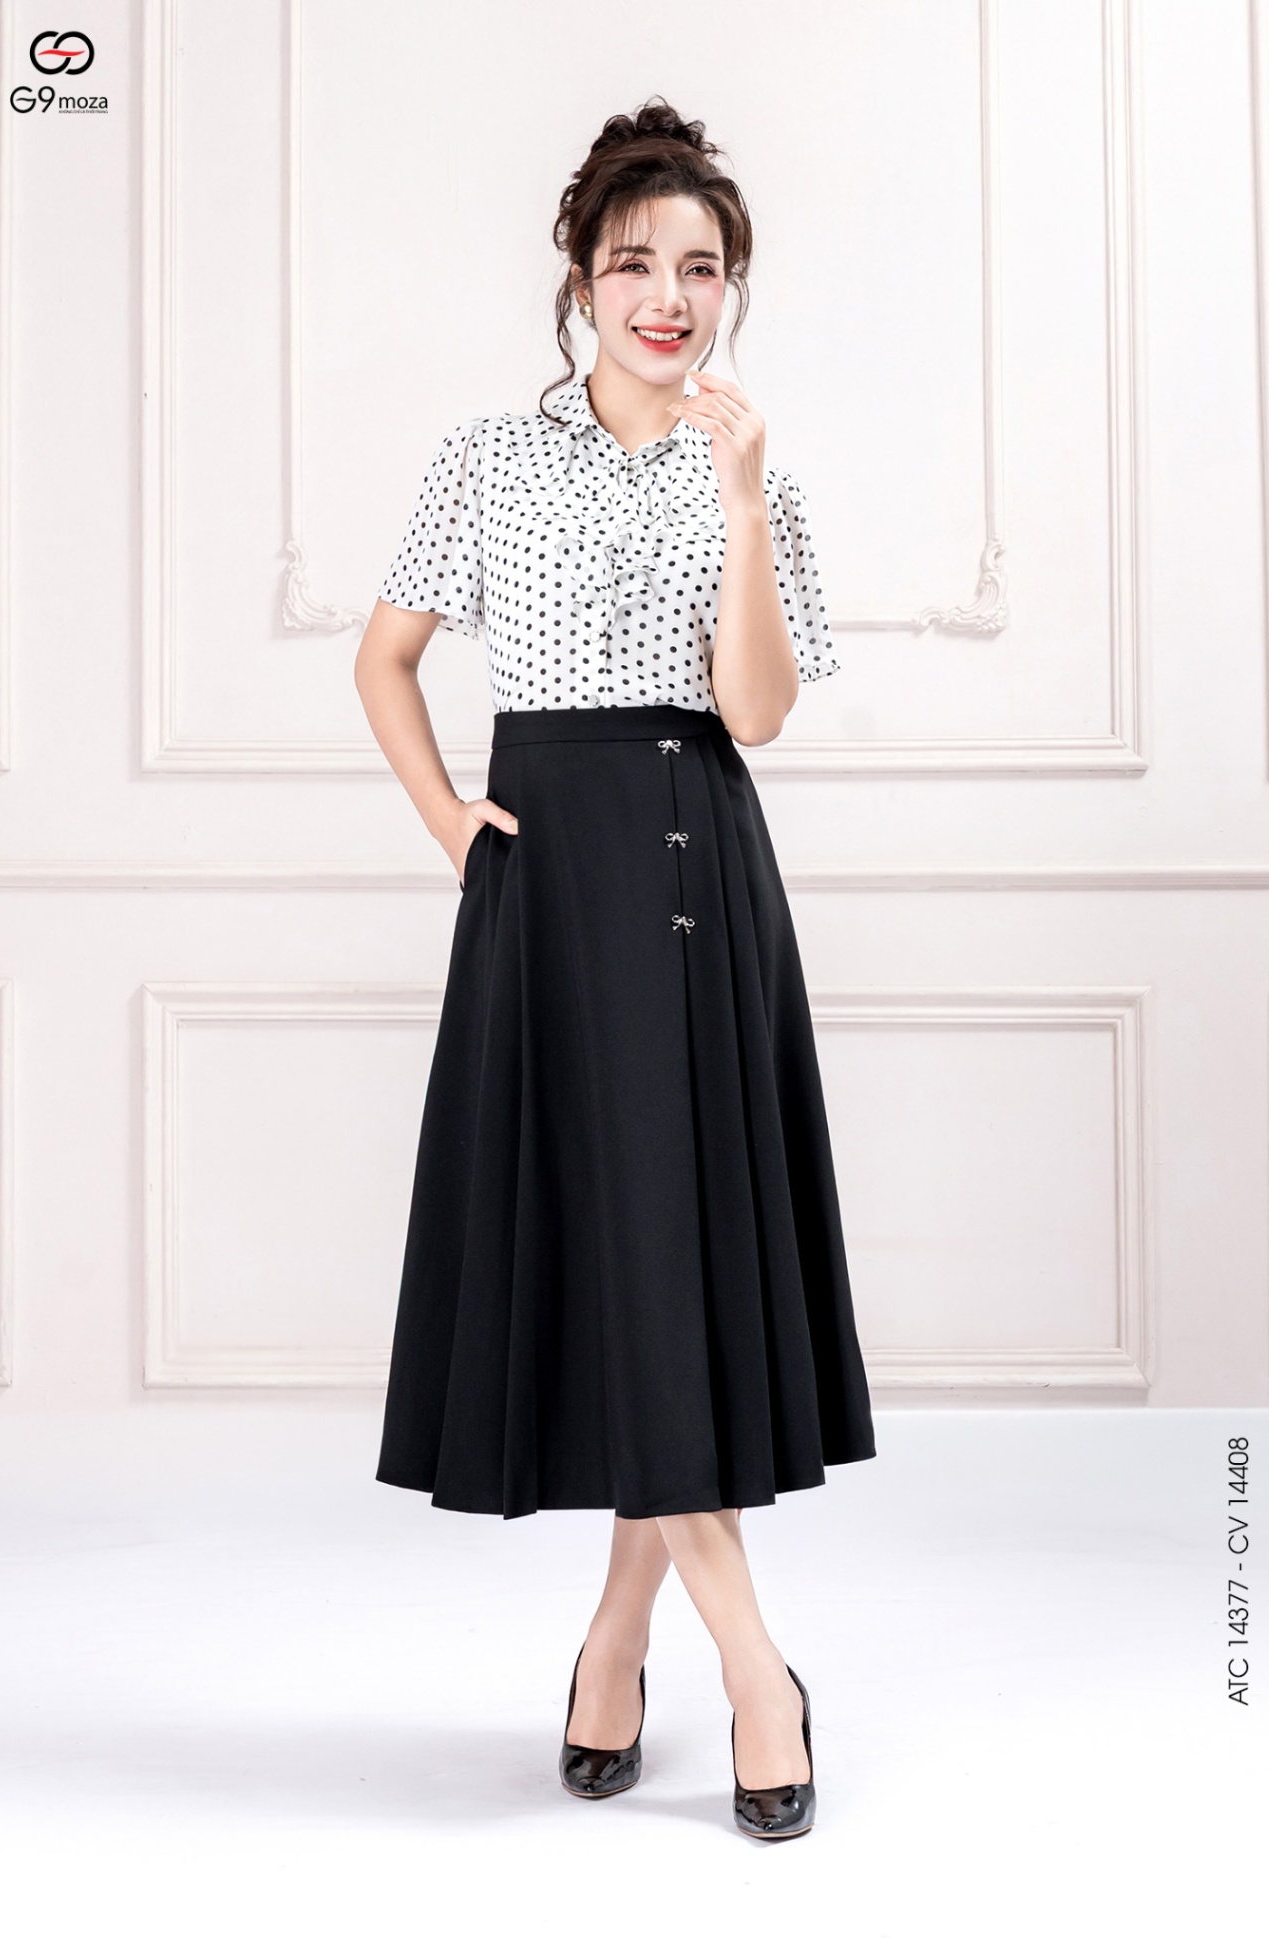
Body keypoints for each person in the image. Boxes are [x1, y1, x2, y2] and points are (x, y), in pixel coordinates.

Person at [354, 97, 876, 1842]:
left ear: (731, 291)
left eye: (701, 269)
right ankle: (751, 1667)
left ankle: (630, 1646)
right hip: (551, 879)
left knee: (671, 1273)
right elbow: (384, 659)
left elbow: (756, 713)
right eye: (637, 262)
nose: (669, 296)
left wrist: (739, 500)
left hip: (699, 868)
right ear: (580, 276)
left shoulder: (760, 476)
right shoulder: (489, 458)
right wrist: (455, 825)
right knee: (623, 1264)